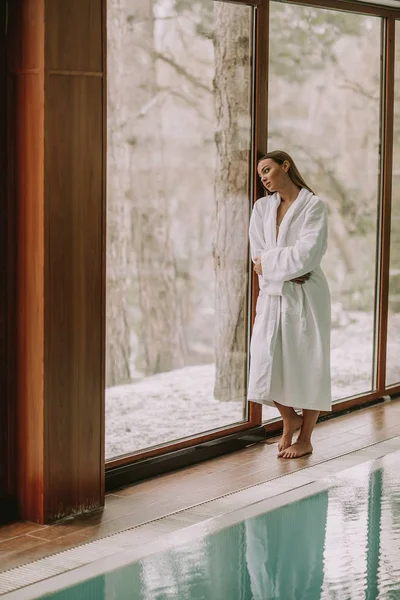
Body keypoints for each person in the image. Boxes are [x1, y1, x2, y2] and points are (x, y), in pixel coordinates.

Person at [248, 150, 331, 459]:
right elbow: (258, 257)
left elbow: (307, 254)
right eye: (260, 175)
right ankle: (288, 418)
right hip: (273, 294)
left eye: (268, 170)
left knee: (308, 360)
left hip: (308, 295)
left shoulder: (313, 206)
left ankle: (305, 437)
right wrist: (280, 269)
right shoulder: (261, 208)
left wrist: (272, 265)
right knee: (264, 358)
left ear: (286, 166)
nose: (264, 177)